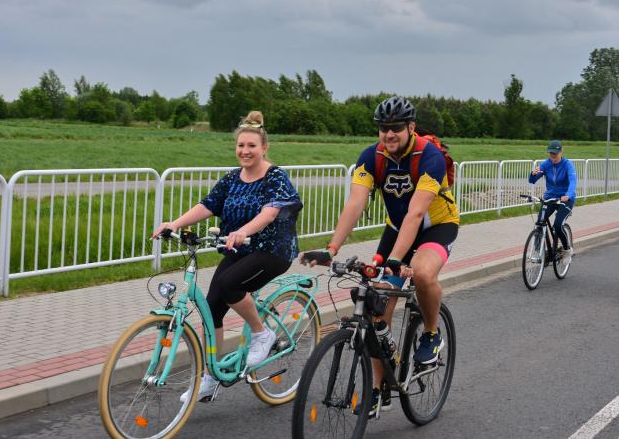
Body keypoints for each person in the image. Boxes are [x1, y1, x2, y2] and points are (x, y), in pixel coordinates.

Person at [300, 96, 459, 417]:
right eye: (384, 128)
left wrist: (395, 261)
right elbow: (355, 203)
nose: (389, 134)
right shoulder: (371, 157)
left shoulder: (429, 157)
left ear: (411, 127)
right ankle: (377, 387)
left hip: (436, 227)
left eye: (396, 128)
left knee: (422, 272)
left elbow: (416, 214)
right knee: (375, 303)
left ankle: (431, 334)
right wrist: (331, 249)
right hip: (396, 229)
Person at [152, 111, 303, 402]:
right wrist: (175, 223)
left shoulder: (275, 177)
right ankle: (210, 376)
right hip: (239, 249)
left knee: (230, 284)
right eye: (240, 145)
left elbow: (270, 213)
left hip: (273, 250)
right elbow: (208, 205)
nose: (245, 151)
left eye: (251, 146)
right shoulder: (233, 178)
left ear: (264, 147)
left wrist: (243, 231)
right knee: (212, 310)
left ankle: (261, 333)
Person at [528, 140, 577, 264]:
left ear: (561, 152)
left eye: (555, 153)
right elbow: (532, 180)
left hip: (565, 199)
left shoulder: (567, 165)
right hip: (550, 198)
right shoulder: (546, 164)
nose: (553, 156)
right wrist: (533, 174)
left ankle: (567, 250)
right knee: (539, 223)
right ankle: (540, 252)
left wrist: (568, 195)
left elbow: (573, 181)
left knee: (558, 225)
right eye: (551, 154)